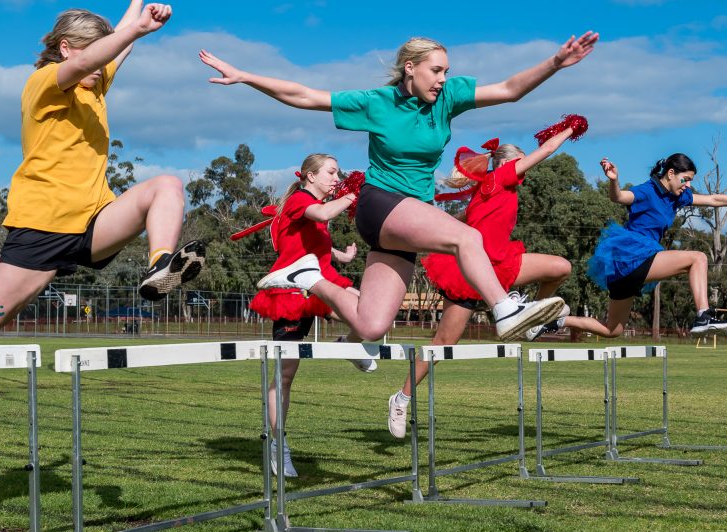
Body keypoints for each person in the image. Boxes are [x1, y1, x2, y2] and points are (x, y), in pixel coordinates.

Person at [199, 31, 599, 343]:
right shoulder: (377, 102)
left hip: (410, 222)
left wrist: (556, 63)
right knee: (466, 238)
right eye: (436, 71)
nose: (443, 79)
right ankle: (505, 309)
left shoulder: (449, 97)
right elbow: (304, 96)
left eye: (446, 71)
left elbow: (510, 89)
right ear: (410, 67)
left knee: (372, 325)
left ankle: (306, 277)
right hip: (381, 204)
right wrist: (246, 76)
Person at [0, 0, 203, 347]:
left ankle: (161, 265)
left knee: (167, 185)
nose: (102, 67)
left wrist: (136, 1)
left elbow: (113, 51)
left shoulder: (96, 84)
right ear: (66, 48)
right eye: (92, 54)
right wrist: (136, 30)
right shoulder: (45, 82)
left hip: (95, 222)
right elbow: (100, 54)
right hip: (43, 226)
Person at [386, 127, 577, 438]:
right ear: (508, 163)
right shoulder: (502, 177)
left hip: (503, 264)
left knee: (560, 267)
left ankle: (531, 317)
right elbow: (546, 151)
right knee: (443, 344)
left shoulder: (490, 188)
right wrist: (570, 127)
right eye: (521, 160)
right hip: (472, 271)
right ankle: (401, 398)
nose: (525, 164)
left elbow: (462, 220)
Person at [247, 153, 376, 477]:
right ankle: (278, 444)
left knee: (371, 311)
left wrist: (341, 256)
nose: (336, 178)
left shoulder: (319, 217)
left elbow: (312, 240)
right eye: (331, 173)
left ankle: (349, 344)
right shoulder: (302, 201)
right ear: (310, 176)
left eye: (338, 173)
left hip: (323, 284)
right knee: (286, 375)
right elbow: (317, 212)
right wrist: (351, 195)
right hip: (291, 291)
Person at [556, 154, 727, 339]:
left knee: (612, 330)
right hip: (632, 256)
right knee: (698, 258)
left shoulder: (677, 197)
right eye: (686, 179)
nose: (688, 185)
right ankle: (704, 315)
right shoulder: (647, 191)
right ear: (671, 173)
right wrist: (613, 180)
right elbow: (619, 197)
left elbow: (714, 200)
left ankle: (553, 320)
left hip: (626, 269)